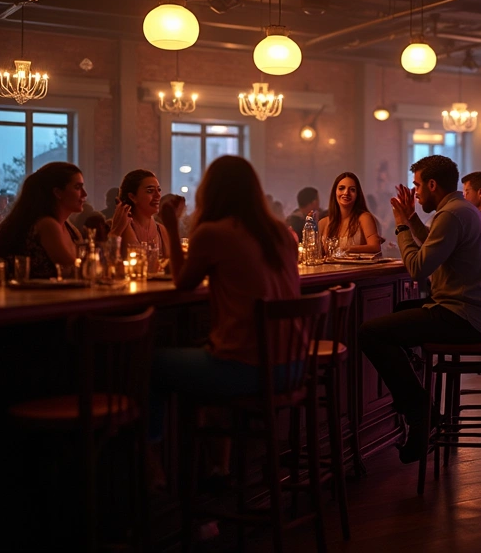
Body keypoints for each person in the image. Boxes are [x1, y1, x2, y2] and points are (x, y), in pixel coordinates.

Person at [151, 156, 302, 482]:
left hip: (249, 369)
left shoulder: (213, 233)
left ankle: (155, 474)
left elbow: (183, 283)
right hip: (292, 366)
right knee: (209, 353)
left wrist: (171, 226)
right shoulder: (280, 233)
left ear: (211, 192)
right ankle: (219, 469)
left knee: (151, 365)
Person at [360, 155, 481, 463]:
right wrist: (412, 218)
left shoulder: (451, 214)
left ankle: (420, 412)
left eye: (417, 185)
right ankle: (416, 392)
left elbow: (417, 267)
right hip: (477, 313)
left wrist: (400, 225)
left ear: (432, 184)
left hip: (465, 317)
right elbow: (435, 246)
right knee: (401, 310)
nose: (416, 192)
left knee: (370, 333)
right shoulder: (462, 209)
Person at [0, 161, 89, 280]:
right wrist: (115, 233)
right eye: (77, 187)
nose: (85, 194)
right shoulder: (47, 225)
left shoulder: (69, 227)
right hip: (35, 298)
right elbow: (75, 272)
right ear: (58, 192)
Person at [318, 172, 383, 254]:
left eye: (352, 189)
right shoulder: (323, 223)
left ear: (357, 194)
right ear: (335, 192)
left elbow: (375, 247)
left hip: (358, 267)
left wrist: (347, 249)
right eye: (341, 188)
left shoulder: (364, 218)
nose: (346, 193)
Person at [113, 169, 171, 258]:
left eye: (158, 190)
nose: (158, 195)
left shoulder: (161, 231)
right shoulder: (118, 227)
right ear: (132, 197)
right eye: (150, 191)